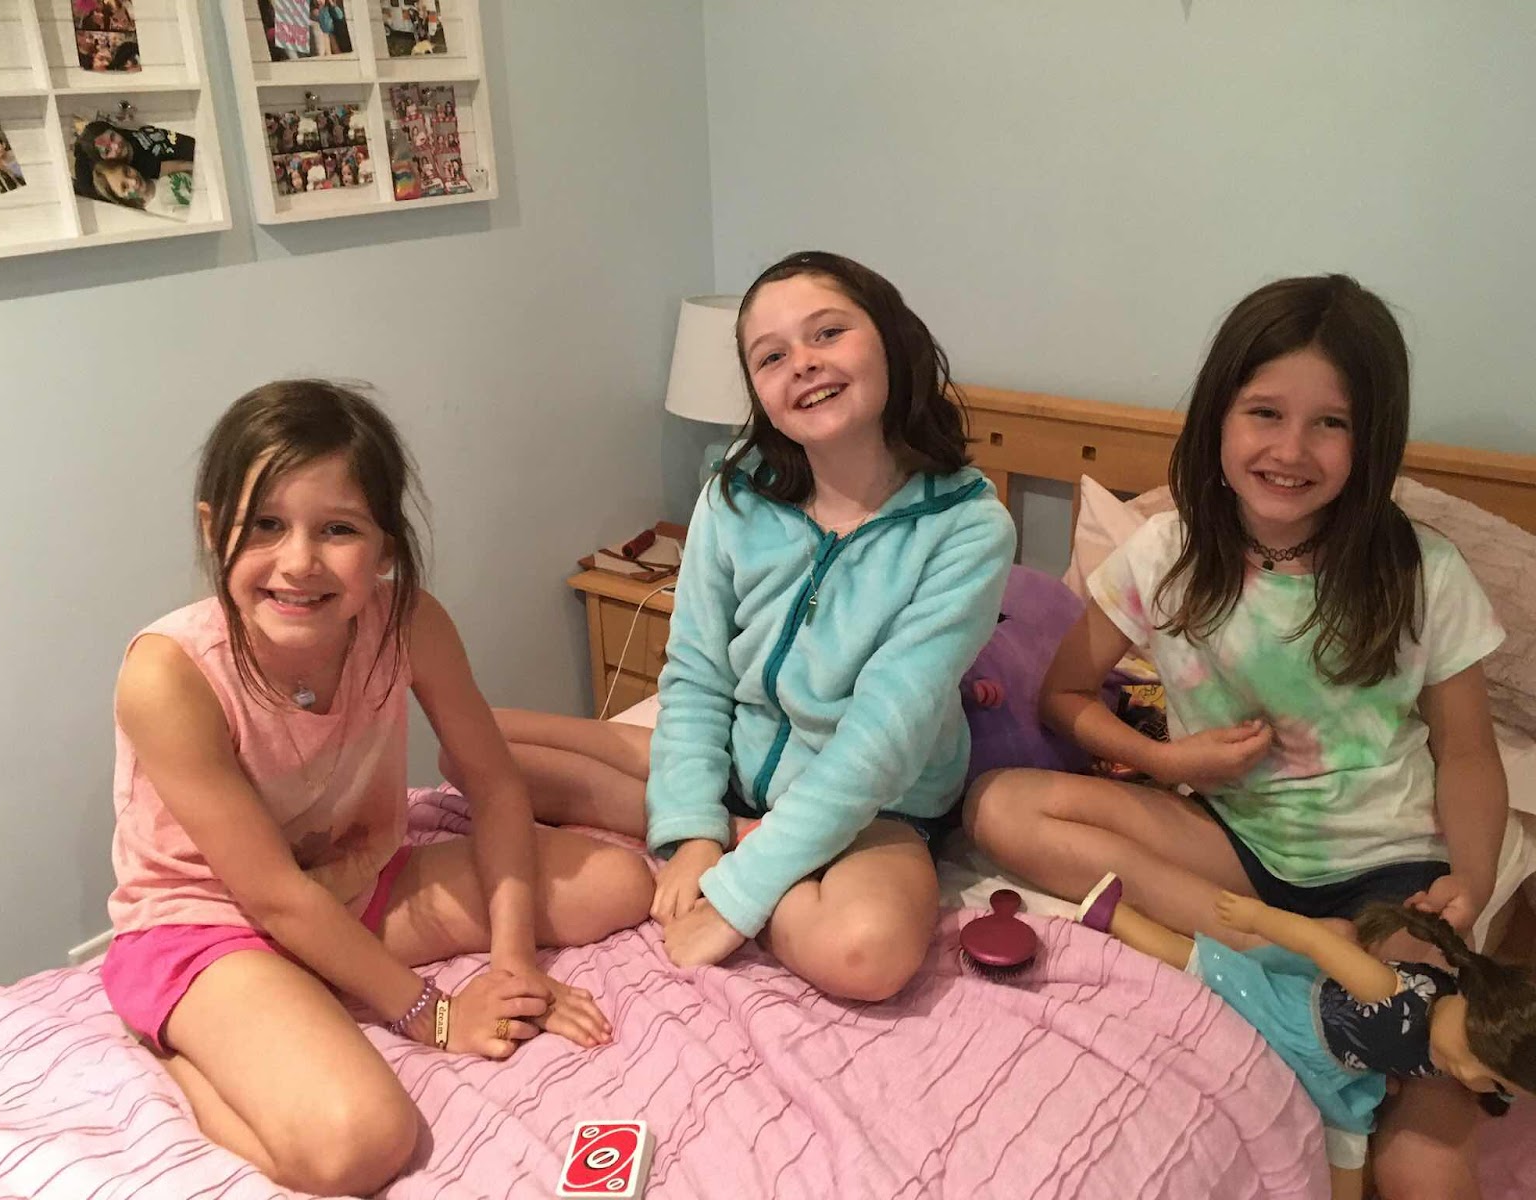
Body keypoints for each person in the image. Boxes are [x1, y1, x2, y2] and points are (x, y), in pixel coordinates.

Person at [963, 274, 1509, 1198]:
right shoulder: (1165, 552)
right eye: (1264, 413)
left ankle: (1287, 963)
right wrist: (1165, 760)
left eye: (1330, 424)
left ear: (1371, 439)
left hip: (1387, 872)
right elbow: (1064, 695)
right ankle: (1286, 956)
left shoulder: (1421, 571)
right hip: (1232, 845)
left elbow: (1467, 751)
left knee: (1425, 1150)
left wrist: (1476, 879)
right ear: (1219, 415)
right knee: (998, 805)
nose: (1290, 450)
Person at [99, 381, 653, 1196]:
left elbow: (496, 786)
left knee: (619, 882)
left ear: (385, 547)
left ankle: (310, 984)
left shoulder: (409, 621)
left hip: (360, 884)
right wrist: (435, 1014)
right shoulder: (168, 675)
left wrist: (513, 964)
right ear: (214, 531)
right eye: (265, 525)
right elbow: (274, 896)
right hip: (212, 920)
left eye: (338, 529)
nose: (299, 562)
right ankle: (183, 1050)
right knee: (363, 1143)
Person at [475, 251, 1014, 1002]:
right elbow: (697, 673)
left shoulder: (967, 528)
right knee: (478, 747)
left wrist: (737, 893)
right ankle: (720, 823)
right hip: (741, 759)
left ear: (893, 340)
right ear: (759, 390)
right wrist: (697, 831)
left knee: (866, 955)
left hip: (872, 806)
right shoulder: (735, 492)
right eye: (771, 356)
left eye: (828, 333)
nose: (804, 363)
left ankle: (744, 837)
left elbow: (882, 741)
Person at [1072, 876, 1533, 1199]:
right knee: (1205, 966)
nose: (1474, 1079)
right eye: (1486, 1070)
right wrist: (1257, 916)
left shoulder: (1450, 1026)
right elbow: (1317, 943)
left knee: (1349, 1145)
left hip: (1347, 1071)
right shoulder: (1390, 993)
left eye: (1496, 1085)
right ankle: (1115, 918)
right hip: (1301, 1024)